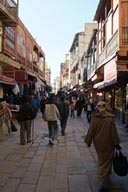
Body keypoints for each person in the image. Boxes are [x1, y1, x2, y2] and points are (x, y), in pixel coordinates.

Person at [84, 101, 121, 192]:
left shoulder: (95, 118)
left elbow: (91, 131)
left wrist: (88, 141)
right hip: (109, 143)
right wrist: (117, 144)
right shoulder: (110, 119)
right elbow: (114, 133)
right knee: (107, 161)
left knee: (102, 159)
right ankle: (104, 181)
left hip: (98, 143)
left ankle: (105, 176)